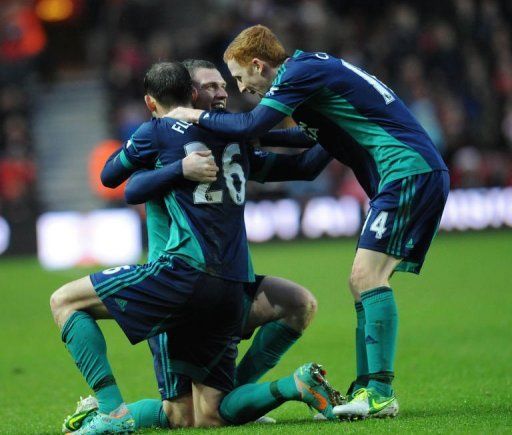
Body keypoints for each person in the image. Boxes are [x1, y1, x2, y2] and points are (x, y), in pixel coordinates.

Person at [168, 25, 450, 419]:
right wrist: (247, 142)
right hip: (407, 172)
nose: (242, 89)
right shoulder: (311, 75)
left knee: (368, 278)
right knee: (362, 283)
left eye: (238, 77)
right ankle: (368, 389)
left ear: (256, 64)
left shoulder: (299, 73)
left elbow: (251, 125)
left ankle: (381, 392)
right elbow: (313, 147)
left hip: (406, 171)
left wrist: (193, 116)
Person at [50, 61, 342, 435]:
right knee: (204, 416)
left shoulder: (184, 134)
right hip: (224, 285)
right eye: (210, 86)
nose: (221, 92)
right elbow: (299, 152)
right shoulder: (216, 135)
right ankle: (281, 388)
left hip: (178, 281)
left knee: (180, 414)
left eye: (225, 85)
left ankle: (109, 410)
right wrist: (340, 127)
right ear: (190, 93)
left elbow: (122, 185)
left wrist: (180, 167)